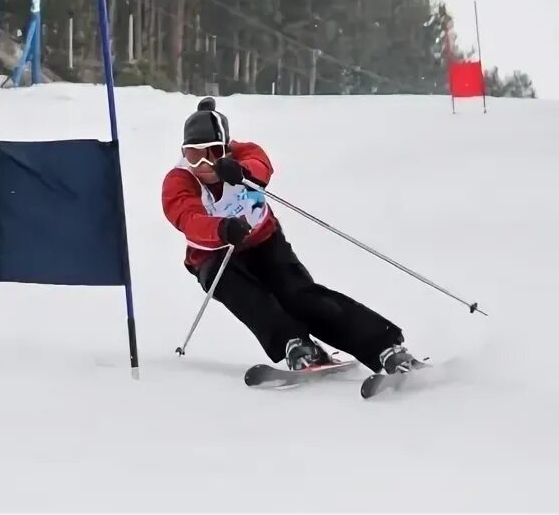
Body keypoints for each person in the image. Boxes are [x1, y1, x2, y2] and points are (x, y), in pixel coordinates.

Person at [161, 97, 417, 374]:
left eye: (212, 152)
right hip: (213, 255)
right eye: (192, 154)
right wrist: (221, 228)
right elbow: (188, 219)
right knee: (249, 298)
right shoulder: (179, 180)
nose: (202, 163)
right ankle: (295, 345)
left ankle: (384, 347)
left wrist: (243, 172)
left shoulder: (242, 155)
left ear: (226, 148)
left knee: (300, 295)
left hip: (263, 241)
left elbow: (261, 165)